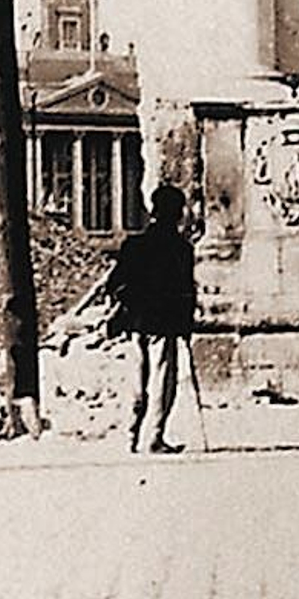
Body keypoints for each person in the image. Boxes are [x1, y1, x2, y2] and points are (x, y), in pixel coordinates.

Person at [108, 184, 196, 455]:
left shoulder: (134, 245)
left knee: (136, 381)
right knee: (161, 381)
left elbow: (115, 283)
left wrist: (125, 305)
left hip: (136, 322)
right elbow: (186, 291)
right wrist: (187, 324)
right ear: (178, 213)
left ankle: (129, 435)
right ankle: (154, 437)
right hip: (164, 323)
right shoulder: (181, 249)